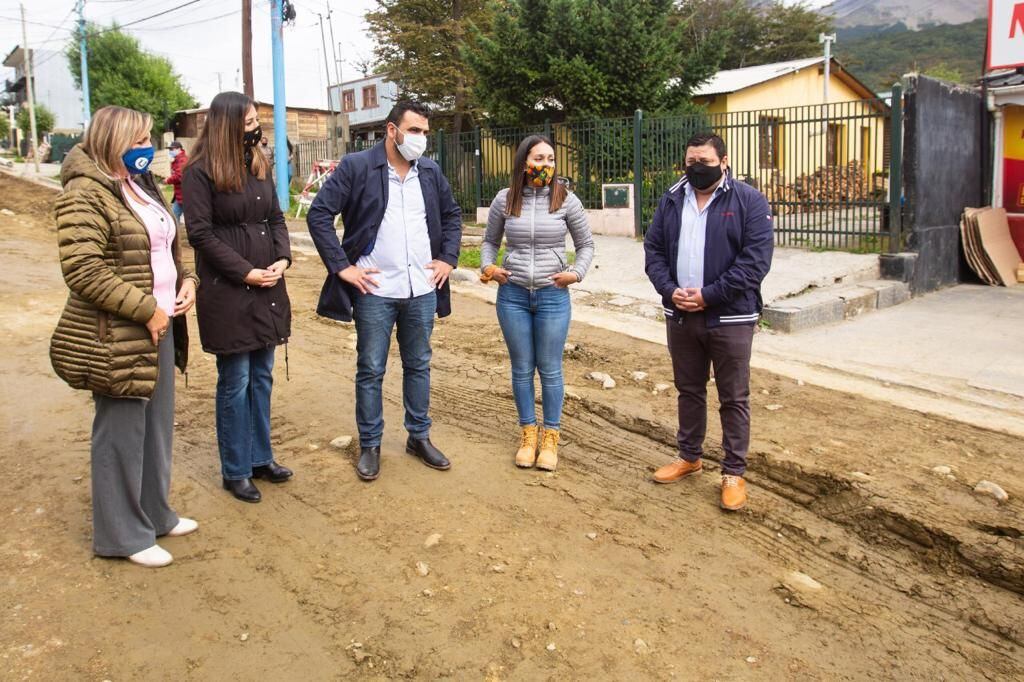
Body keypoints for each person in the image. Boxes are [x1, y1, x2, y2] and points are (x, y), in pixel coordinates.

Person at [49, 105, 200, 567]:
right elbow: (83, 269)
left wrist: (187, 280)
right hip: (119, 332)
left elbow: (170, 241)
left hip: (160, 323)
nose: (147, 148)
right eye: (138, 140)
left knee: (156, 428)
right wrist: (146, 310)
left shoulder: (139, 185)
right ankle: (122, 535)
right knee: (120, 434)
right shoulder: (84, 194)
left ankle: (155, 513)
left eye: (148, 139)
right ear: (113, 141)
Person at [306, 100, 462, 482]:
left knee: (419, 364)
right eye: (414, 131)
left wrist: (448, 259)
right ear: (392, 131)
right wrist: (342, 267)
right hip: (375, 288)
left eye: (425, 132)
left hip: (422, 286)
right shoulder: (358, 166)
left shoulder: (429, 170)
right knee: (371, 368)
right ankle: (371, 444)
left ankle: (418, 437)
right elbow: (320, 214)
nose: (421, 139)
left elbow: (452, 215)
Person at [643, 132, 773, 511]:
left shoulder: (748, 201)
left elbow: (755, 262)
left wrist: (709, 295)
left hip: (731, 316)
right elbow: (653, 251)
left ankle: (733, 472)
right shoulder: (671, 199)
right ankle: (689, 457)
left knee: (733, 396)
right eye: (690, 161)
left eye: (704, 161)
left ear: (724, 161)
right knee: (689, 389)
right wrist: (670, 290)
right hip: (681, 314)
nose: (696, 168)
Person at [182, 92, 293, 503]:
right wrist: (244, 271)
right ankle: (236, 468)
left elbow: (275, 218)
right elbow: (200, 233)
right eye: (248, 122)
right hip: (229, 289)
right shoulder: (200, 171)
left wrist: (282, 258)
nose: (255, 128)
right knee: (236, 380)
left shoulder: (260, 162)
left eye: (256, 121)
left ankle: (261, 457)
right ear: (228, 124)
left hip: (268, 284)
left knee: (262, 376)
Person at [480, 135, 595, 471]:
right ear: (523, 162)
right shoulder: (505, 200)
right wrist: (488, 266)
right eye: (539, 159)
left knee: (550, 369)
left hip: (552, 295)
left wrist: (576, 273)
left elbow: (586, 245)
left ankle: (551, 437)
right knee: (521, 369)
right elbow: (489, 242)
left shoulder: (566, 201)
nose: (545, 165)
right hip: (512, 294)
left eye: (550, 159)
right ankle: (528, 433)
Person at [165, 140, 187, 224]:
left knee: (175, 216)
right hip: (180, 194)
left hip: (184, 194)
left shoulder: (182, 160)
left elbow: (179, 176)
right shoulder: (178, 159)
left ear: (179, 149)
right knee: (174, 216)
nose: (170, 151)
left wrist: (168, 180)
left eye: (172, 149)